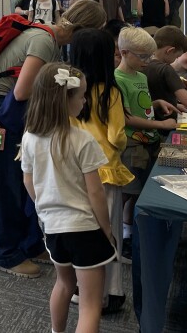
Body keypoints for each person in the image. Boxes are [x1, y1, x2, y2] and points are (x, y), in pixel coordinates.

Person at [0, 0, 107, 278]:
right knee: (6, 183)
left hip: (9, 108)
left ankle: (28, 243)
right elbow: (22, 91)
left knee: (24, 179)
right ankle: (5, 253)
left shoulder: (49, 37)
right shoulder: (44, 41)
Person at [22, 63, 116, 333]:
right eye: (82, 95)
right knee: (89, 304)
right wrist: (106, 230)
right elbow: (96, 192)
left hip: (53, 228)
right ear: (66, 100)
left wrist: (44, 210)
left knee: (63, 284)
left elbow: (28, 180)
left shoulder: (29, 137)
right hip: (85, 228)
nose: (85, 100)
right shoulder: (82, 140)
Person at [69, 29, 133, 314]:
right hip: (105, 168)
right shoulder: (111, 92)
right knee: (109, 231)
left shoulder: (69, 90)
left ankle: (79, 290)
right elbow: (117, 135)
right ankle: (110, 292)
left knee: (80, 230)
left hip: (72, 168)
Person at [114, 27, 178, 256]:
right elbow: (127, 117)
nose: (147, 61)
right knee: (128, 194)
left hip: (148, 142)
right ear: (124, 52)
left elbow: (143, 104)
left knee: (139, 193)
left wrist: (158, 103)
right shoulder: (118, 79)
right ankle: (121, 235)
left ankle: (131, 233)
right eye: (142, 56)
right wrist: (162, 125)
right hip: (132, 145)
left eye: (149, 56)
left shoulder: (140, 76)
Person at [143, 25, 187, 116]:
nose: (175, 59)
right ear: (170, 51)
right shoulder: (166, 69)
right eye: (176, 56)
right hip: (166, 119)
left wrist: (175, 105)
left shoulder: (143, 65)